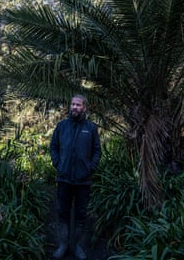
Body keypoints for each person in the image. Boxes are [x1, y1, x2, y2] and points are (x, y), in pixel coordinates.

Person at [50, 94, 102, 260]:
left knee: (81, 214)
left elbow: (97, 151)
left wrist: (90, 167)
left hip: (83, 180)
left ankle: (78, 246)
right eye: (72, 104)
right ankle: (63, 245)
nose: (74, 107)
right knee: (62, 212)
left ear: (84, 108)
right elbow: (53, 147)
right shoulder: (62, 126)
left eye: (78, 105)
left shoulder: (91, 128)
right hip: (64, 178)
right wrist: (58, 164)